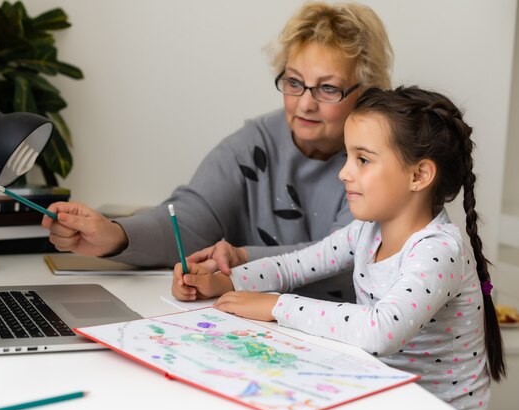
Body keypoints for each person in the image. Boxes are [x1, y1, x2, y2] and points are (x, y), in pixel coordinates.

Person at [171, 86, 505, 410]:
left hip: (435, 409)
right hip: (381, 393)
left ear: (418, 175)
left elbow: (380, 331)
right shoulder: (366, 230)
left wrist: (277, 305)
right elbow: (294, 267)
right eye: (347, 157)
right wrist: (226, 282)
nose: (344, 173)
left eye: (362, 159)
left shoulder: (438, 251)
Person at [43, 1, 393, 301]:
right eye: (293, 82)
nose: (304, 104)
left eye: (328, 88)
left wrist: (240, 259)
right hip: (259, 332)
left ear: (366, 91)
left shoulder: (382, 159)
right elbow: (190, 218)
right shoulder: (257, 141)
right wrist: (115, 235)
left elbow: (350, 259)